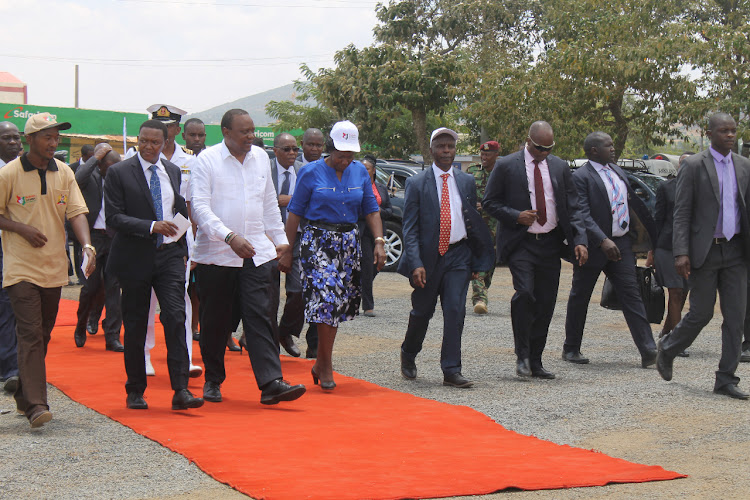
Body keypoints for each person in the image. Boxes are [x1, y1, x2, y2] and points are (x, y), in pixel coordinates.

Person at [191, 109, 306, 405]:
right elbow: (200, 208)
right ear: (226, 132)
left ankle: (271, 383)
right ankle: (213, 380)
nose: (250, 136)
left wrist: (281, 240)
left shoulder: (259, 159)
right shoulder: (207, 160)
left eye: (252, 130)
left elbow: (269, 203)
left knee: (261, 317)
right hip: (216, 255)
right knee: (216, 322)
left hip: (257, 253)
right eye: (244, 131)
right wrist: (228, 236)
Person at [0, 112, 95, 427]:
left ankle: (24, 395)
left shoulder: (64, 172)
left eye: (56, 137)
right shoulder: (10, 173)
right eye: (47, 137)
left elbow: (77, 211)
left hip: (55, 269)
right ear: (30, 140)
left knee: (42, 333)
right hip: (20, 268)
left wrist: (86, 246)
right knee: (29, 334)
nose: (53, 142)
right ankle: (37, 406)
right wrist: (21, 229)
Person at [104, 119, 204, 411]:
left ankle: (181, 389)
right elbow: (113, 218)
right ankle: (135, 390)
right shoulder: (119, 172)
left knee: (175, 317)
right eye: (144, 141)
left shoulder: (172, 170)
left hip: (169, 256)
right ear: (137, 140)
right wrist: (150, 226)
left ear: (165, 143)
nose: (149, 147)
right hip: (134, 256)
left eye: (155, 142)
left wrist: (185, 246)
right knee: (135, 324)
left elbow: (177, 209)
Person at [279, 120, 387, 390]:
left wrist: (379, 241)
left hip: (348, 244)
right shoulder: (310, 172)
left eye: (350, 156)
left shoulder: (360, 173)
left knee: (339, 306)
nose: (345, 161)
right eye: (340, 155)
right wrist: (286, 250)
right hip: (317, 241)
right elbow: (295, 214)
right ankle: (325, 366)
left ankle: (320, 362)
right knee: (327, 301)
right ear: (330, 149)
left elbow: (371, 210)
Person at [483, 122, 588, 379]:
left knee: (546, 303)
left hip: (550, 243)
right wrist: (516, 216)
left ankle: (536, 360)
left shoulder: (560, 167)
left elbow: (574, 207)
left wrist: (580, 239)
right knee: (525, 294)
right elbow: (489, 202)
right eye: (540, 148)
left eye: (549, 149)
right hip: (522, 243)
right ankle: (522, 356)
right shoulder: (507, 165)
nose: (544, 153)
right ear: (528, 141)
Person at [657, 113, 750, 400]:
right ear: (709, 134)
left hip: (735, 251)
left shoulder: (744, 166)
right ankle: (669, 348)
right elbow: (681, 212)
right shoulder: (695, 166)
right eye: (723, 131)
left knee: (736, 317)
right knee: (702, 313)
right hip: (705, 251)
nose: (730, 135)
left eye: (733, 131)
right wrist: (681, 252)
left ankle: (726, 378)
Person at [398, 127, 494, 388]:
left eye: (450, 146)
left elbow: (471, 222)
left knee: (455, 310)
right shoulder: (416, 183)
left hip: (458, 255)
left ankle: (451, 369)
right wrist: (415, 262)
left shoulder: (465, 182)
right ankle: (408, 352)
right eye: (441, 146)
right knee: (422, 312)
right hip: (428, 259)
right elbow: (409, 227)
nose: (446, 151)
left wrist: (477, 260)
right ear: (431, 150)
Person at [563, 131, 658, 368]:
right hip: (594, 246)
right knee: (580, 295)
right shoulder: (581, 177)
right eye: (609, 145)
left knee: (632, 294)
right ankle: (571, 348)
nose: (613, 149)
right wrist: (602, 240)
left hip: (622, 244)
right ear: (594, 150)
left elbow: (628, 205)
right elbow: (581, 213)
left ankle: (649, 350)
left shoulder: (616, 171)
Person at [126, 105, 204, 376]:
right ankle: (145, 355)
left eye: (168, 126)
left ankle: (186, 357)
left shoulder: (189, 162)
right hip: (144, 240)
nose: (163, 130)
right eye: (157, 125)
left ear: (175, 130)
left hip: (177, 241)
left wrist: (191, 246)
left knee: (179, 300)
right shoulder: (133, 159)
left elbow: (191, 206)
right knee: (145, 302)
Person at [73, 143, 123, 352]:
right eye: (108, 167)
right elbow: (76, 180)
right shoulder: (89, 177)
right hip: (92, 239)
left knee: (113, 289)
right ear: (100, 165)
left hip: (114, 239)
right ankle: (81, 325)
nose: (113, 172)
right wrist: (95, 157)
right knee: (91, 287)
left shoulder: (120, 181)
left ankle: (112, 336)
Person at [646, 152, 693, 357]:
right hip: (667, 246)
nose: (685, 167)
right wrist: (652, 251)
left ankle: (666, 333)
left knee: (683, 293)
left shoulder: (701, 189)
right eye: (682, 163)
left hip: (692, 248)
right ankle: (676, 341)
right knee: (674, 291)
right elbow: (657, 220)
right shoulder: (666, 187)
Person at [269, 133, 304, 357]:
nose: (292, 154)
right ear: (275, 151)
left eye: (294, 149)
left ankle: (285, 331)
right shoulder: (264, 170)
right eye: (286, 149)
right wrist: (276, 199)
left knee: (299, 291)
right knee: (268, 295)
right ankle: (266, 337)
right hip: (268, 239)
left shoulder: (304, 171)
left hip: (298, 238)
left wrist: (291, 200)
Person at [296, 127, 325, 358]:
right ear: (302, 144)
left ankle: (314, 346)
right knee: (296, 292)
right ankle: (285, 331)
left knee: (320, 293)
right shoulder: (294, 166)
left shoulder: (328, 169)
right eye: (310, 145)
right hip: (290, 236)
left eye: (319, 145)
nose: (314, 149)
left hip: (319, 239)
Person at [0, 121, 22, 394]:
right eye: (7, 138)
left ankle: (10, 368)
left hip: (16, 247)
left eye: (17, 138)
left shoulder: (23, 170)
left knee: (9, 303)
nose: (15, 143)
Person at [466, 141, 500, 314]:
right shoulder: (472, 171)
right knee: (479, 259)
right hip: (476, 225)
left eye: (488, 155)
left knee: (491, 262)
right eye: (482, 154)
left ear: (496, 155)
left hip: (495, 226)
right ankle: (479, 298)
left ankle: (483, 290)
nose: (484, 157)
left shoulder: (502, 173)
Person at [360, 154, 392, 316]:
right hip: (363, 232)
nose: (363, 171)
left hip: (379, 233)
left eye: (366, 169)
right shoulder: (357, 186)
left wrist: (378, 211)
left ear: (373, 171)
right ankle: (368, 306)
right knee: (367, 266)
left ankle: (359, 287)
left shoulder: (381, 188)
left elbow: (390, 210)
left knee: (377, 266)